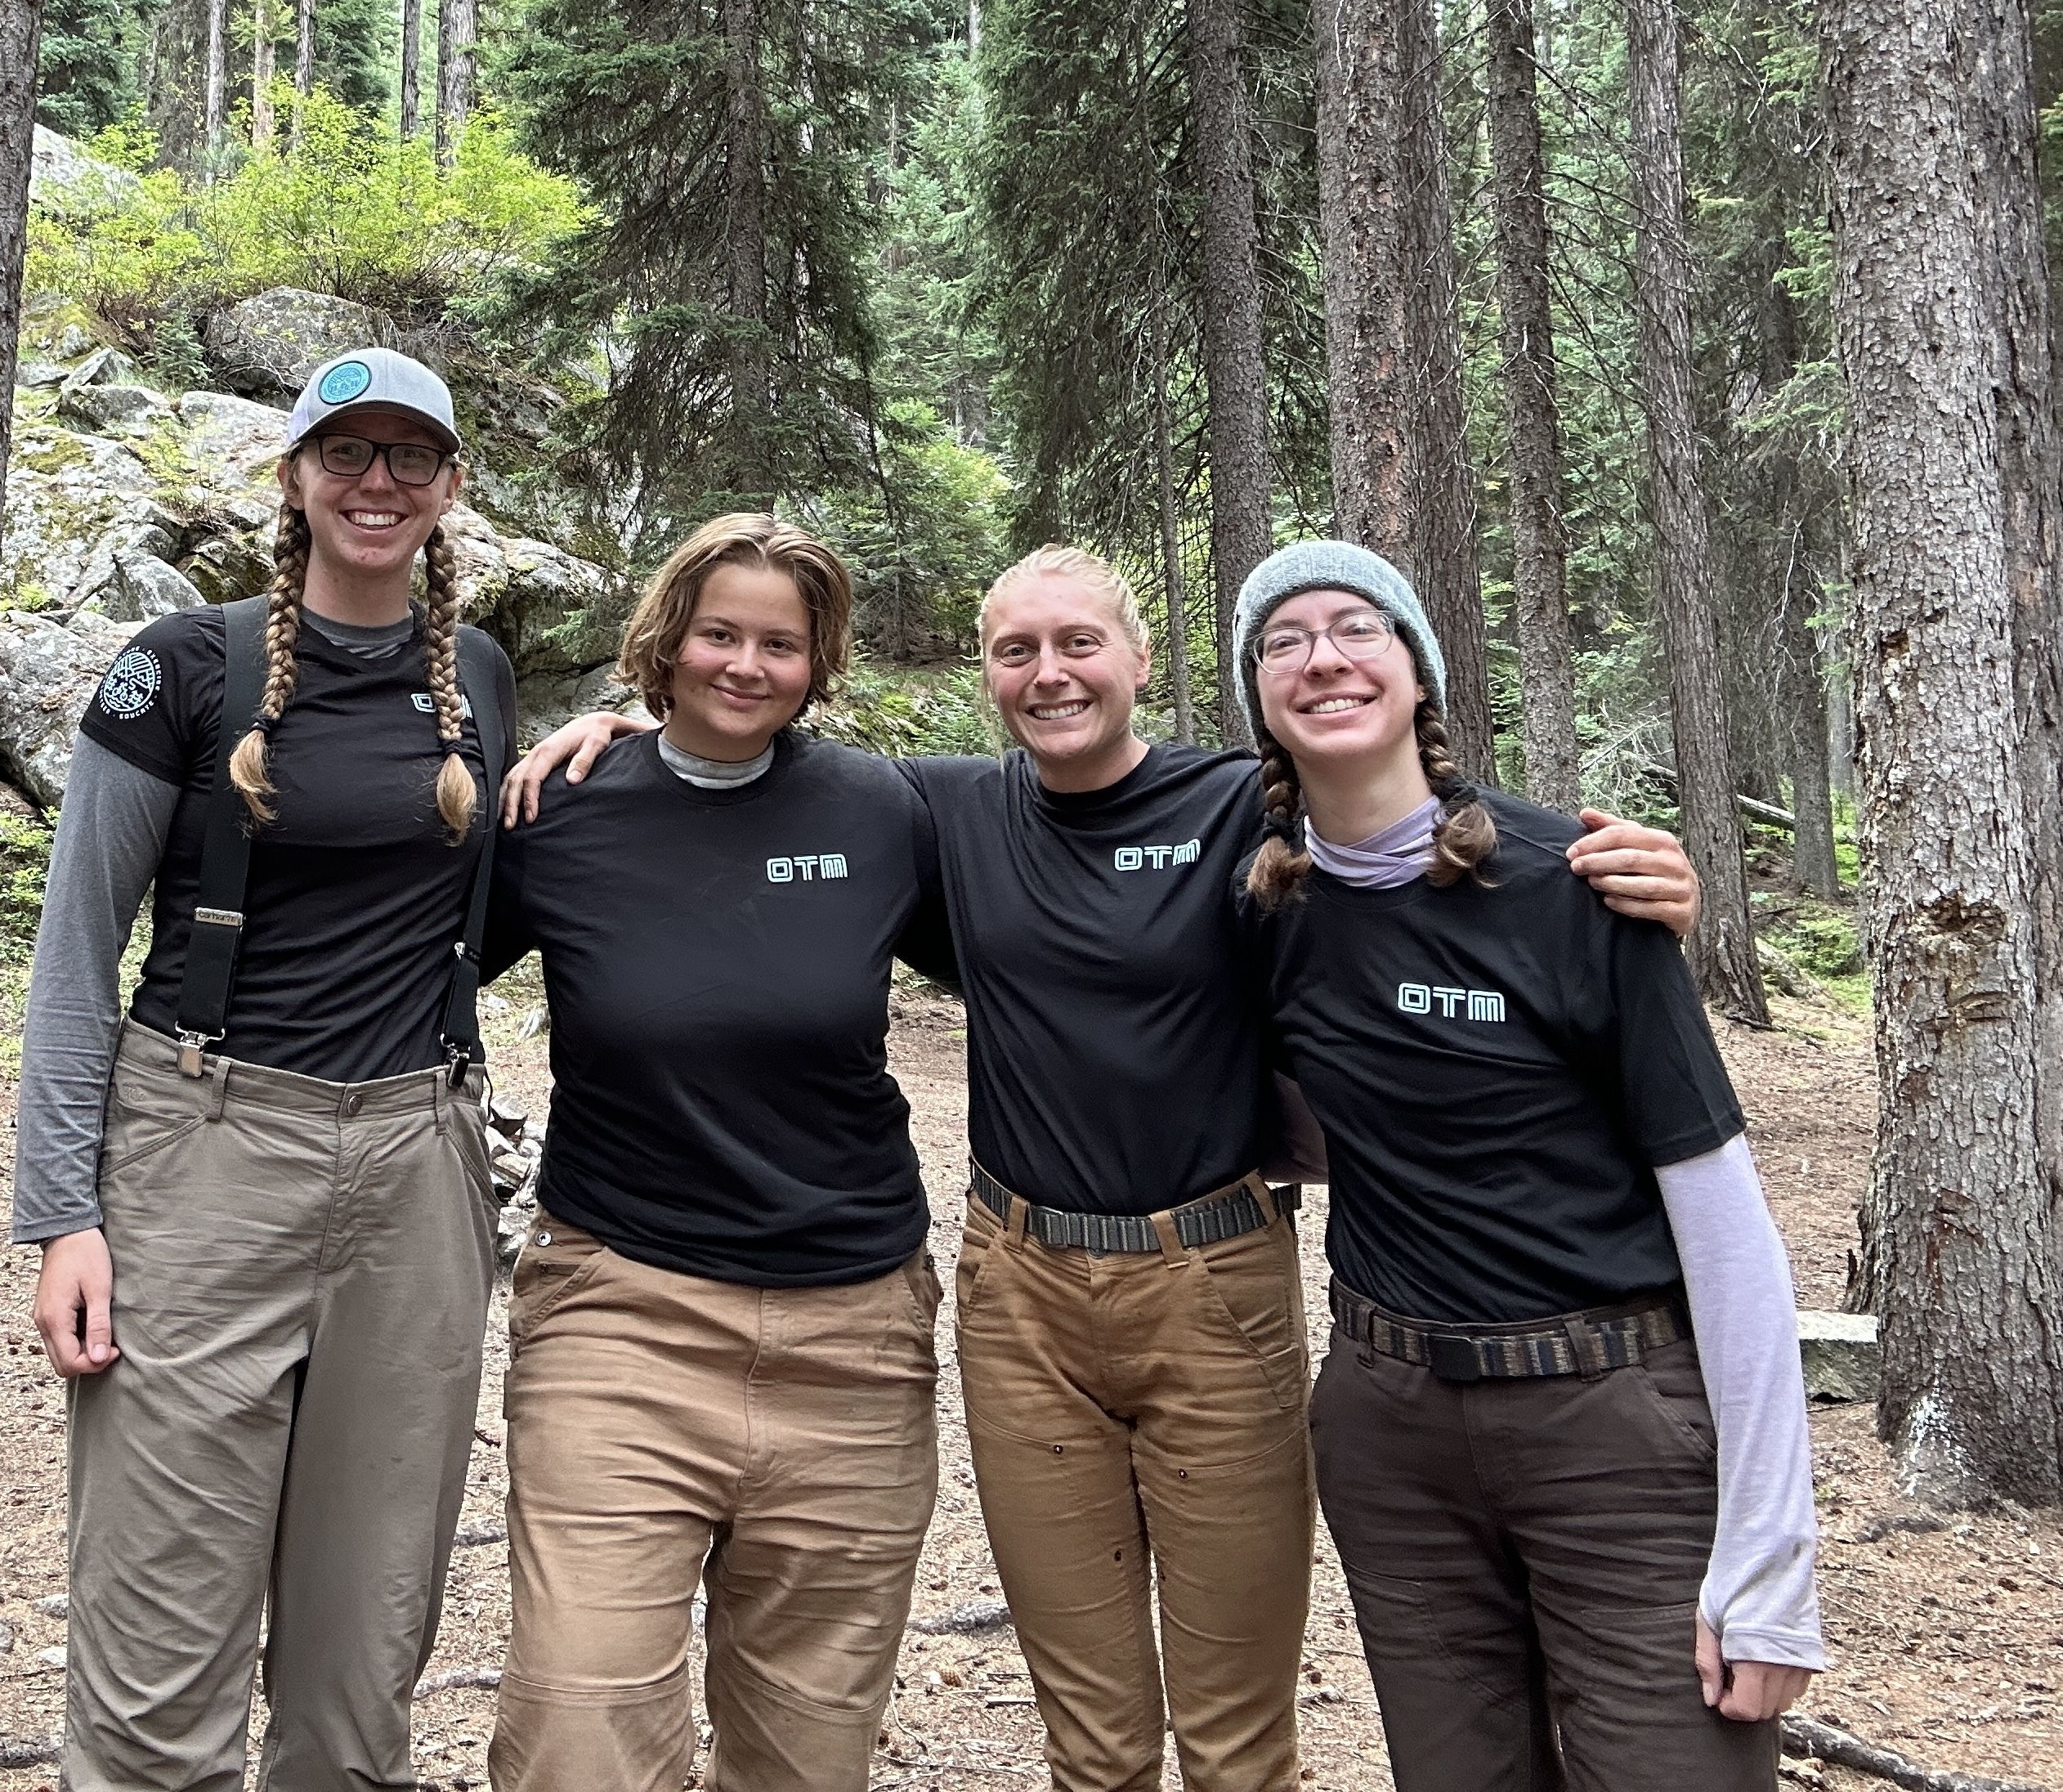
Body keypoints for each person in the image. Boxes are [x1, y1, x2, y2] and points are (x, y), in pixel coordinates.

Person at [503, 544, 1700, 1791]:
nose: (1050, 673)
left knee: (1237, 1736)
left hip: (1215, 1280)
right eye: (1016, 649)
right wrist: (634, 722)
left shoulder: (1243, 805)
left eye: (1079, 643)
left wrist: (1601, 869)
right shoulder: (941, 811)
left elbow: (1400, 828)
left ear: (1139, 659)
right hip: (1020, 1293)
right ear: (987, 675)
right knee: (1089, 1734)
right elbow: (737, 771)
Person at [1229, 539, 1828, 1790]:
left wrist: (1770, 1568)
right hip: (1391, 1440)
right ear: (1257, 699)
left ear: (1417, 673)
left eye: (1357, 628)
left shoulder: (1575, 885)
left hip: (1610, 1425)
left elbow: (1725, 1228)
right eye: (1283, 640)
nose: (1322, 656)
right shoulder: (1270, 910)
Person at [12, 347, 517, 1791]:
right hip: (203, 1155)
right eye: (344, 453)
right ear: (293, 476)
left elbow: (469, 914)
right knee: (158, 1642)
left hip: (419, 1168)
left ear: (448, 486)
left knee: (365, 1652)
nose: (377, 483)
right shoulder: (179, 668)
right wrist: (63, 1214)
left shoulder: (473, 674)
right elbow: (72, 961)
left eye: (408, 457)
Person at [480, 513, 956, 1792]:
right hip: (619, 1317)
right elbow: (394, 970)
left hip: (855, 1337)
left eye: (780, 643)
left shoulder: (880, 807)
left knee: (807, 1749)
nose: (746, 664)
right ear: (666, 641)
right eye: (719, 633)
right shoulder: (559, 809)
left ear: (818, 661)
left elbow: (1082, 889)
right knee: (581, 1726)